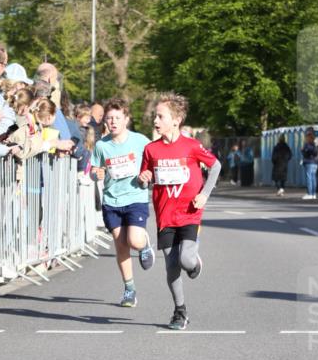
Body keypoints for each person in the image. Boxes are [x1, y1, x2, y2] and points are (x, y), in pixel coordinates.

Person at [139, 93, 221, 331]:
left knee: (185, 259)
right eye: (155, 115)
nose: (155, 119)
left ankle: (194, 262)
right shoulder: (150, 150)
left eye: (160, 116)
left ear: (175, 120)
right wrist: (143, 178)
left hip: (189, 212)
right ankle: (180, 311)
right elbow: (145, 178)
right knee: (171, 265)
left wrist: (205, 194)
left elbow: (215, 166)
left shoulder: (192, 146)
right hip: (165, 215)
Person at [91, 98, 155, 308]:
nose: (113, 121)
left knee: (134, 240)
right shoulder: (102, 145)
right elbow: (94, 170)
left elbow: (153, 164)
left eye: (117, 117)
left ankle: (144, 245)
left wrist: (147, 174)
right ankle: (129, 289)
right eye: (109, 118)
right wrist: (96, 174)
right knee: (121, 245)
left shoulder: (140, 141)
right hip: (112, 200)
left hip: (135, 196)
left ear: (126, 119)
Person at [300, 129, 318, 199]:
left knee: (309, 178)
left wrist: (302, 150)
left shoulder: (307, 144)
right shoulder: (315, 143)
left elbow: (306, 153)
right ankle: (314, 193)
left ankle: (309, 193)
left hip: (309, 162)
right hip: (315, 163)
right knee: (314, 178)